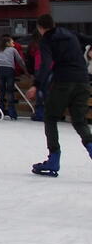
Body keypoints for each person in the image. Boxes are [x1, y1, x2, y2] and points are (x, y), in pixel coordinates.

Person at [28, 14, 92, 177]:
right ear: (54, 24)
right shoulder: (69, 33)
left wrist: (36, 85)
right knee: (79, 121)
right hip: (83, 80)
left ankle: (54, 159)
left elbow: (46, 64)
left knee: (50, 117)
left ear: (40, 28)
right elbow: (88, 39)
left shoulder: (46, 41)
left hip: (64, 81)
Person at [0, 34, 27, 120]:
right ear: (8, 43)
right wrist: (25, 70)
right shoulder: (13, 50)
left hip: (0, 70)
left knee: (1, 91)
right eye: (12, 42)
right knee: (10, 91)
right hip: (9, 70)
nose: (14, 43)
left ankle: (0, 111)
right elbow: (19, 60)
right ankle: (12, 113)